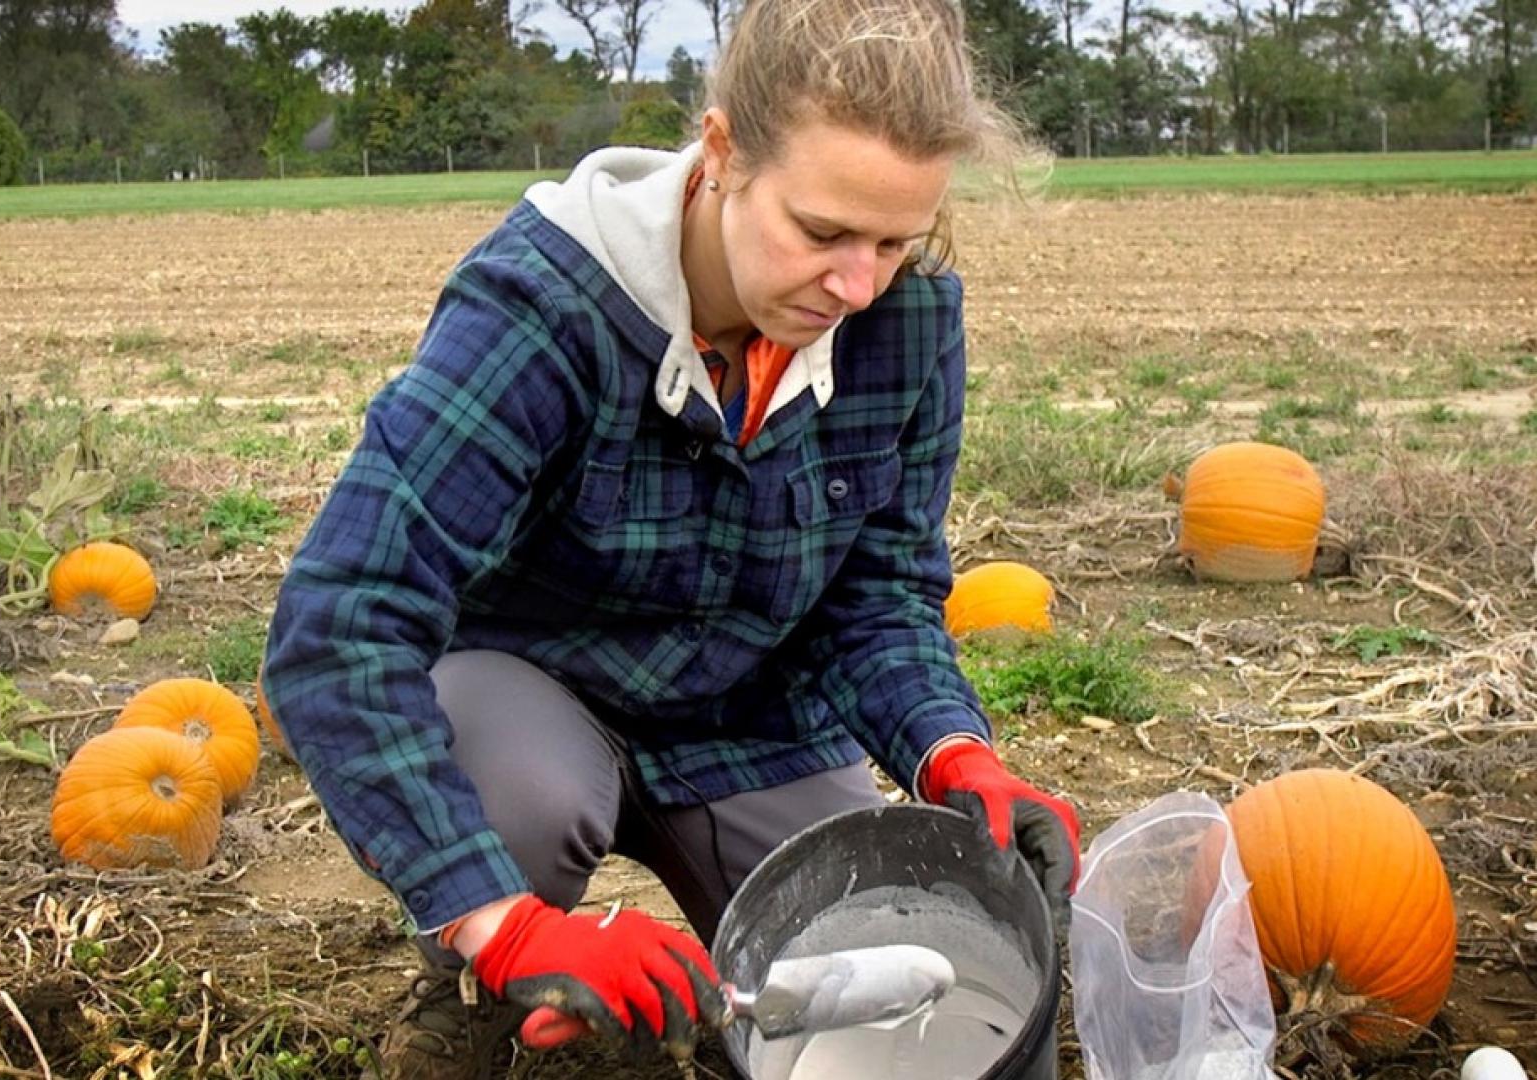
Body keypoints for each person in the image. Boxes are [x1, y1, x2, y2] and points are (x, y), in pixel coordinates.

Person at [261, 0, 1082, 1072]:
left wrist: (954, 750)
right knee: (522, 807)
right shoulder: (540, 311)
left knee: (878, 944)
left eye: (895, 240)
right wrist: (504, 925)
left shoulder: (909, 319)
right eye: (823, 231)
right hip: (530, 690)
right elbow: (340, 621)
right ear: (722, 150)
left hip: (747, 716)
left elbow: (876, 595)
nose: (857, 284)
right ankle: (474, 977)